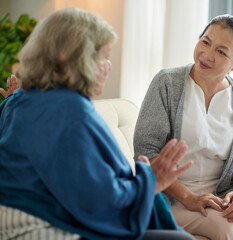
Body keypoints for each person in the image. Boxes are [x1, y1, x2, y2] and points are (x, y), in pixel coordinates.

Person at [0, 8, 195, 240]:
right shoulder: (69, 110)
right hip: (45, 226)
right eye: (105, 56)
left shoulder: (21, 99)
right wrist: (151, 179)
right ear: (81, 59)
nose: (109, 66)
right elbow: (98, 201)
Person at [134, 14, 233, 240]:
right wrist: (188, 197)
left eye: (221, 52)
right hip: (173, 196)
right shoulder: (167, 83)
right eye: (205, 42)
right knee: (226, 228)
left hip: (222, 194)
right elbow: (146, 152)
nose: (207, 55)